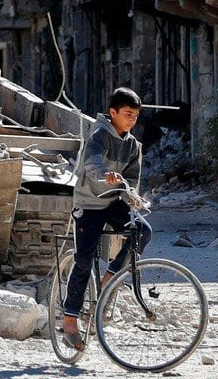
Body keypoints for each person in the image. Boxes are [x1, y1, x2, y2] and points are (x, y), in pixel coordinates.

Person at [61, 87, 152, 350]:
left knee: (142, 231)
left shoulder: (133, 145)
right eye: (127, 114)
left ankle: (109, 278)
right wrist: (105, 176)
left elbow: (132, 178)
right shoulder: (99, 135)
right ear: (113, 113)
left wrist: (132, 196)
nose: (132, 120)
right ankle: (69, 321)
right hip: (89, 203)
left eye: (135, 116)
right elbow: (91, 164)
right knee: (84, 260)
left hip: (114, 202)